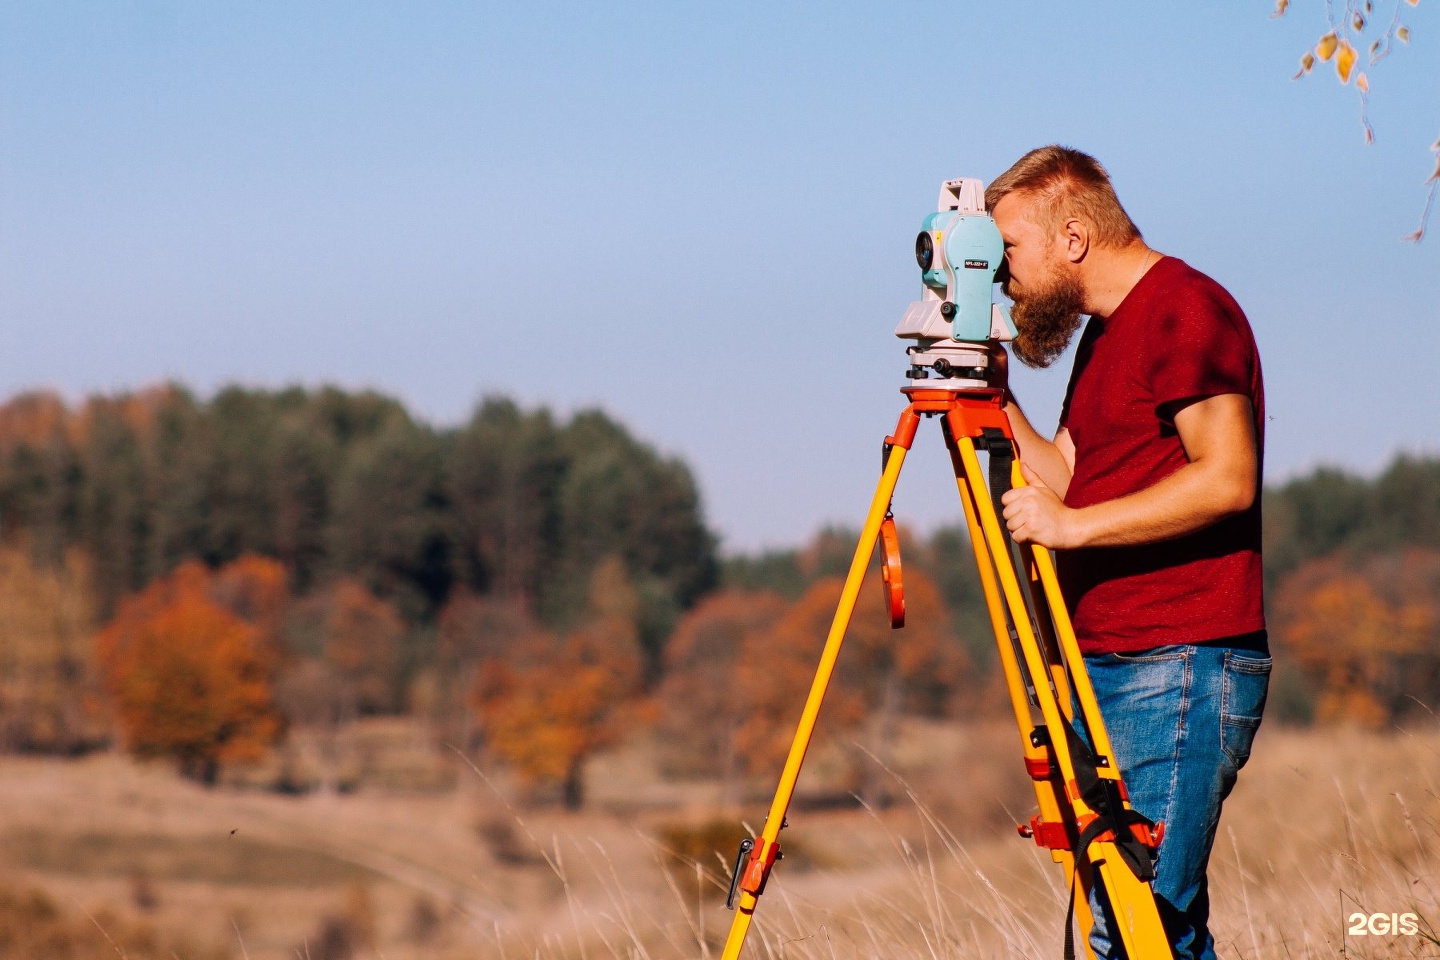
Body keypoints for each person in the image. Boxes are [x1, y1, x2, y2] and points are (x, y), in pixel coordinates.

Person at [985, 146, 1271, 960]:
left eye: (1010, 248)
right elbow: (1068, 474)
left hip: (1178, 659)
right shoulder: (1106, 336)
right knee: (1144, 928)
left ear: (1073, 237)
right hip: (1107, 657)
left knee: (1139, 928)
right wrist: (991, 392)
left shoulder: (1186, 308)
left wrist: (1074, 529)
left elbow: (1228, 478)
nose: (1004, 275)